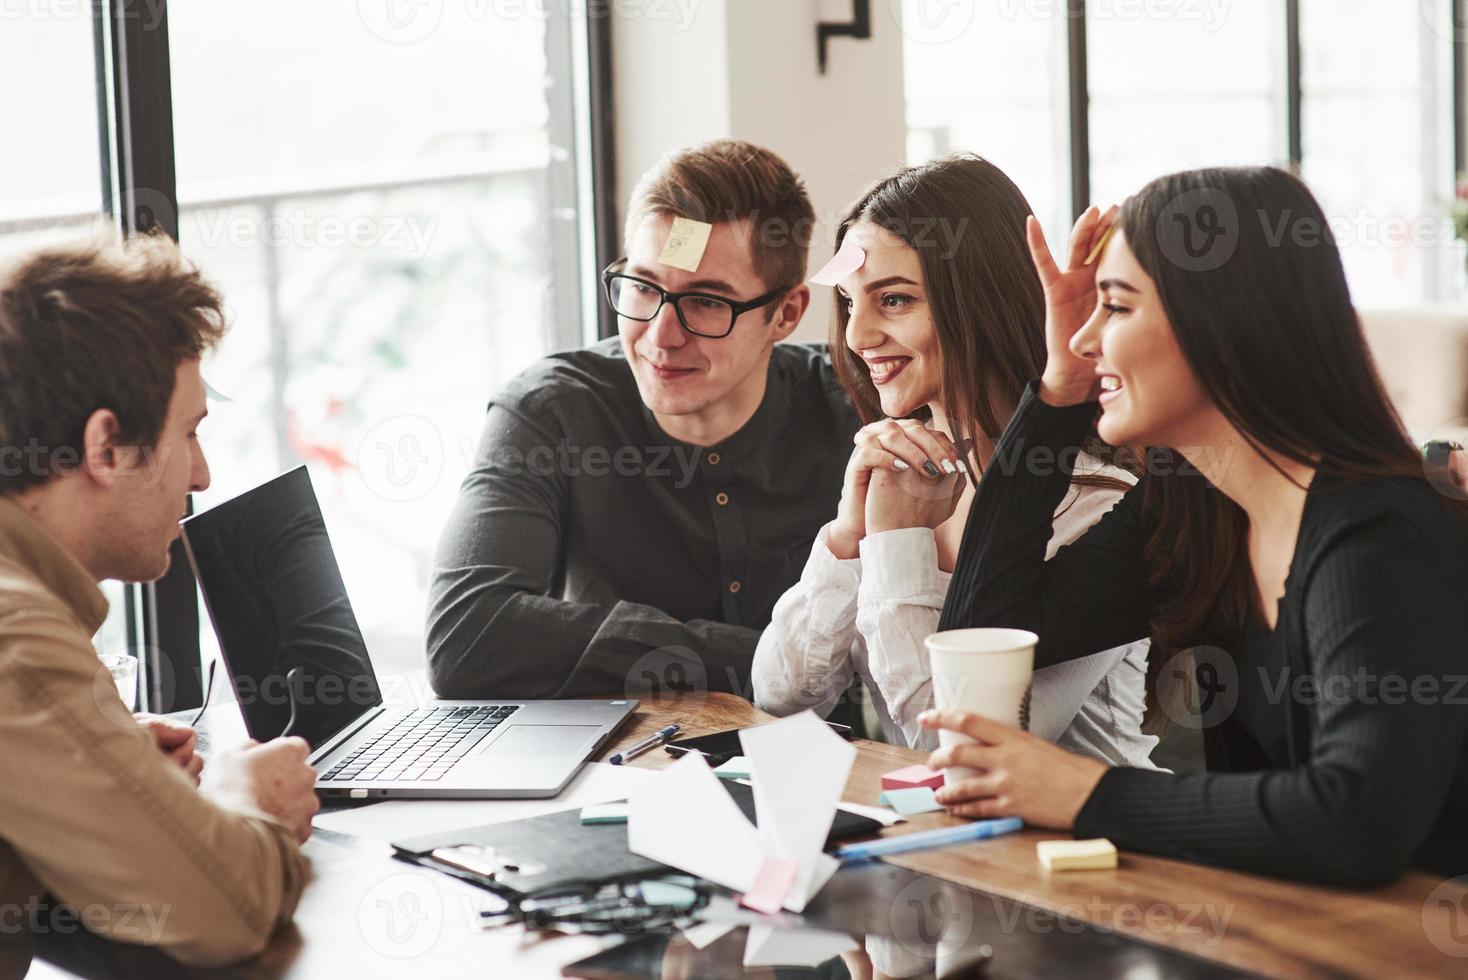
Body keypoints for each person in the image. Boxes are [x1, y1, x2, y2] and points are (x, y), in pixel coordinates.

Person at [921, 166, 1468, 886]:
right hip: (1282, 932)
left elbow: (1354, 821)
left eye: (1115, 308)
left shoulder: (1378, 531)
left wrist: (1082, 790)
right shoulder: (1190, 506)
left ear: (1220, 324)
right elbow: (987, 634)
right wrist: (1057, 389)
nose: (1084, 340)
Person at [752, 155, 1157, 768]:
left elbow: (957, 747)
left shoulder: (1095, 500)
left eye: (893, 300)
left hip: (1090, 853)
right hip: (936, 840)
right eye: (848, 301)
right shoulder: (899, 478)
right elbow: (779, 698)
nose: (858, 336)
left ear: (979, 301)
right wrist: (846, 534)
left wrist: (896, 541)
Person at [428, 140, 859, 701]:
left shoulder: (855, 408)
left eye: (706, 302)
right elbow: (468, 638)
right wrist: (776, 659)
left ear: (786, 314)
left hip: (833, 771)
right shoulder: (552, 412)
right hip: (620, 773)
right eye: (643, 285)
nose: (660, 336)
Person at [0, 229, 318, 967]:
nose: (201, 476)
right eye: (190, 433)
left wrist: (104, 772)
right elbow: (226, 906)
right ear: (105, 446)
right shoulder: (18, 634)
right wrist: (249, 804)